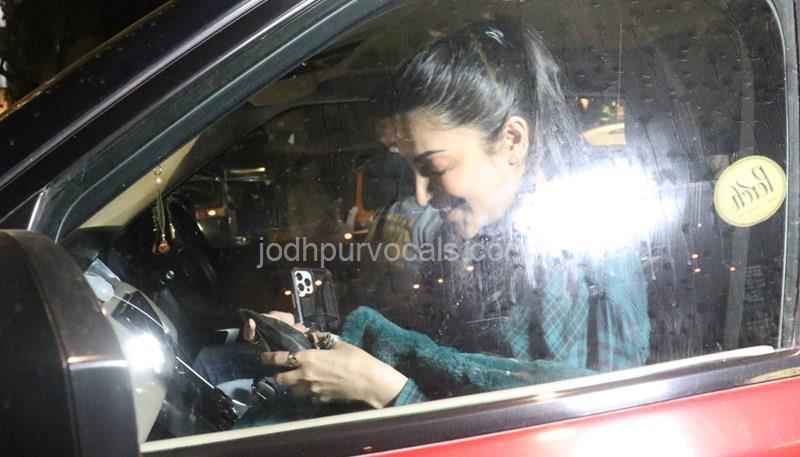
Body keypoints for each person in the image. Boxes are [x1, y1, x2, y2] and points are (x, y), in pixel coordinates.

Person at [254, 18, 650, 408]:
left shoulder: (587, 264)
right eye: (410, 170)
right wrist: (320, 343)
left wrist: (387, 392)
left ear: (512, 141)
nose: (421, 196)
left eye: (436, 168)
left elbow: (582, 422)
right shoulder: (461, 241)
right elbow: (432, 354)